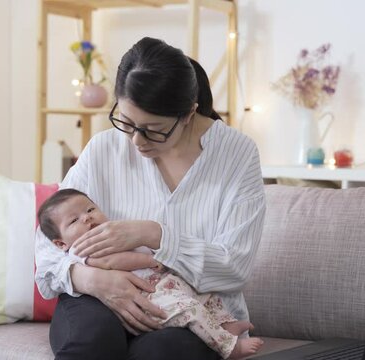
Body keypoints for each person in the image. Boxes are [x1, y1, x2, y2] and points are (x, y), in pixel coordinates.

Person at [35, 36, 266, 360]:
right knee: (92, 340)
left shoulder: (236, 155)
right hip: (96, 297)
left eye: (153, 129)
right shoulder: (104, 149)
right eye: (126, 123)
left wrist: (153, 234)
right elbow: (47, 244)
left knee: (164, 352)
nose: (136, 141)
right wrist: (89, 278)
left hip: (190, 309)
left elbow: (233, 267)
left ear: (188, 113)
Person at [37, 188, 264, 359]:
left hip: (165, 283)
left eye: (90, 210)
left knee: (207, 297)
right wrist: (150, 259)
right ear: (60, 243)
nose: (86, 218)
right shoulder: (81, 249)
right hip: (148, 295)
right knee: (190, 310)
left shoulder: (112, 230)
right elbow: (112, 260)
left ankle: (225, 325)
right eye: (74, 220)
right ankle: (228, 346)